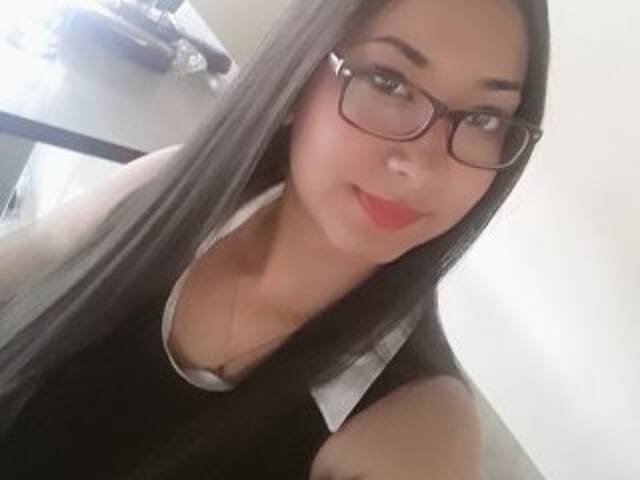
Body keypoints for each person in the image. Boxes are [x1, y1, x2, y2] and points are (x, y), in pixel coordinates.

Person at [0, 0, 550, 478]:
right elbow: (30, 258)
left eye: (484, 118)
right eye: (388, 82)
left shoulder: (416, 427)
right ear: (299, 73)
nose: (422, 168)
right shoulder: (170, 192)